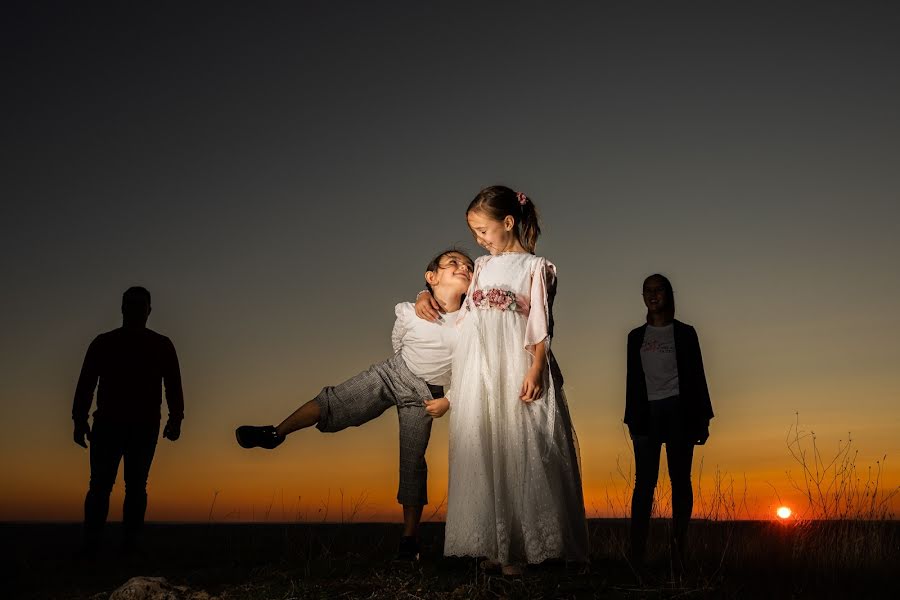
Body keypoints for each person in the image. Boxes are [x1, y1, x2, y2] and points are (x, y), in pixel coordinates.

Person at [235, 248, 473, 561]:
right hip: (392, 372)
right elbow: (398, 340)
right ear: (431, 278)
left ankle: (409, 540)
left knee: (412, 461)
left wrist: (448, 400)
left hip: (426, 396)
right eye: (452, 262)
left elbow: (471, 368)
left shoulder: (470, 322)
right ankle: (275, 433)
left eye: (468, 266)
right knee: (335, 399)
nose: (462, 267)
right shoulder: (408, 310)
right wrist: (420, 301)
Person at [416, 186, 589, 576]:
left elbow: (541, 322)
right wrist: (421, 295)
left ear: (508, 222)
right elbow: (455, 301)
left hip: (515, 360)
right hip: (481, 367)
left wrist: (536, 367)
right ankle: (501, 542)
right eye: (474, 232)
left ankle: (527, 549)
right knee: (489, 444)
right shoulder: (480, 267)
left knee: (521, 444)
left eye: (483, 230)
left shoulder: (536, 267)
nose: (478, 239)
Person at [72, 286, 184, 554]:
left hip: (141, 427)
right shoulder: (104, 343)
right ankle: (95, 546)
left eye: (139, 305)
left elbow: (173, 385)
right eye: (131, 305)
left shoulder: (160, 345)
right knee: (103, 486)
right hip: (110, 424)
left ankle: (127, 546)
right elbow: (86, 384)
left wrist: (176, 418)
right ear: (123, 308)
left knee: (130, 487)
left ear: (148, 310)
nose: (136, 310)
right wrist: (79, 419)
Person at [624, 273, 713, 573]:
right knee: (644, 485)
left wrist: (703, 419)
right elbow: (632, 382)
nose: (653, 295)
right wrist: (632, 418)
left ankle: (679, 549)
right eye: (647, 290)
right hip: (646, 414)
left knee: (680, 481)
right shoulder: (635, 337)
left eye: (658, 289)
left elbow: (697, 376)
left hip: (680, 412)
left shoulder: (686, 334)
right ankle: (637, 554)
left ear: (668, 294)